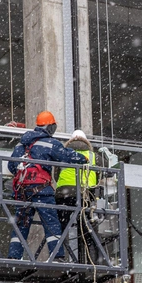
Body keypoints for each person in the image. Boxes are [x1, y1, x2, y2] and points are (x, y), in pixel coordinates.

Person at [7, 111, 87, 261]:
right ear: (50, 127)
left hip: (22, 192)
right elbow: (66, 156)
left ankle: (13, 256)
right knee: (51, 223)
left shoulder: (21, 144)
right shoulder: (50, 143)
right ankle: (57, 256)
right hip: (41, 190)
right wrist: (84, 158)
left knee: (21, 224)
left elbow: (12, 166)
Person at [55, 130, 102, 262]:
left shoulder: (62, 154)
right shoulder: (94, 156)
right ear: (86, 142)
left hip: (63, 193)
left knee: (61, 224)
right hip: (85, 194)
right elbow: (105, 171)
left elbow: (55, 174)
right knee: (88, 226)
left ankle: (60, 257)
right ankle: (93, 260)